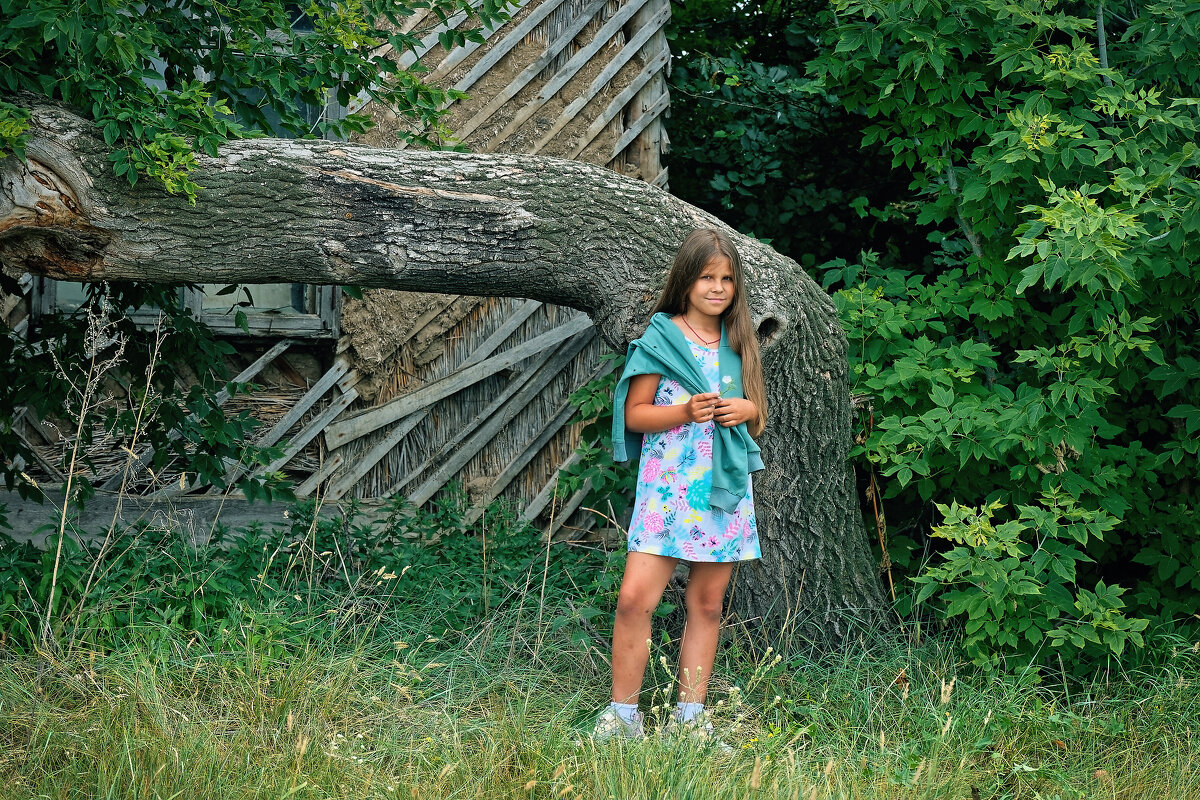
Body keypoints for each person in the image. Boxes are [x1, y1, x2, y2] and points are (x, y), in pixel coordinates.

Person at [593, 227, 768, 742]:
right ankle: (622, 719)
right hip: (667, 489)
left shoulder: (739, 343)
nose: (718, 288)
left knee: (708, 604)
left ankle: (690, 721)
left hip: (723, 490)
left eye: (728, 279)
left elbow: (755, 414)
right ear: (686, 280)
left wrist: (747, 409)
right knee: (633, 599)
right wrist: (685, 411)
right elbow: (634, 414)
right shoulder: (660, 337)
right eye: (707, 277)